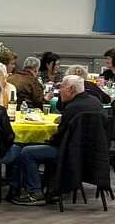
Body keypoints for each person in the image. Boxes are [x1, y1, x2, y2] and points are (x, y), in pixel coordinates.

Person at [8, 74, 101, 205]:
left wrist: (46, 141)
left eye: (62, 87)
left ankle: (35, 193)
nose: (59, 91)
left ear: (71, 89)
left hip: (69, 152)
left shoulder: (73, 108)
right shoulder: (94, 102)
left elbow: (60, 137)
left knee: (26, 151)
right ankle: (52, 189)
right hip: (92, 151)